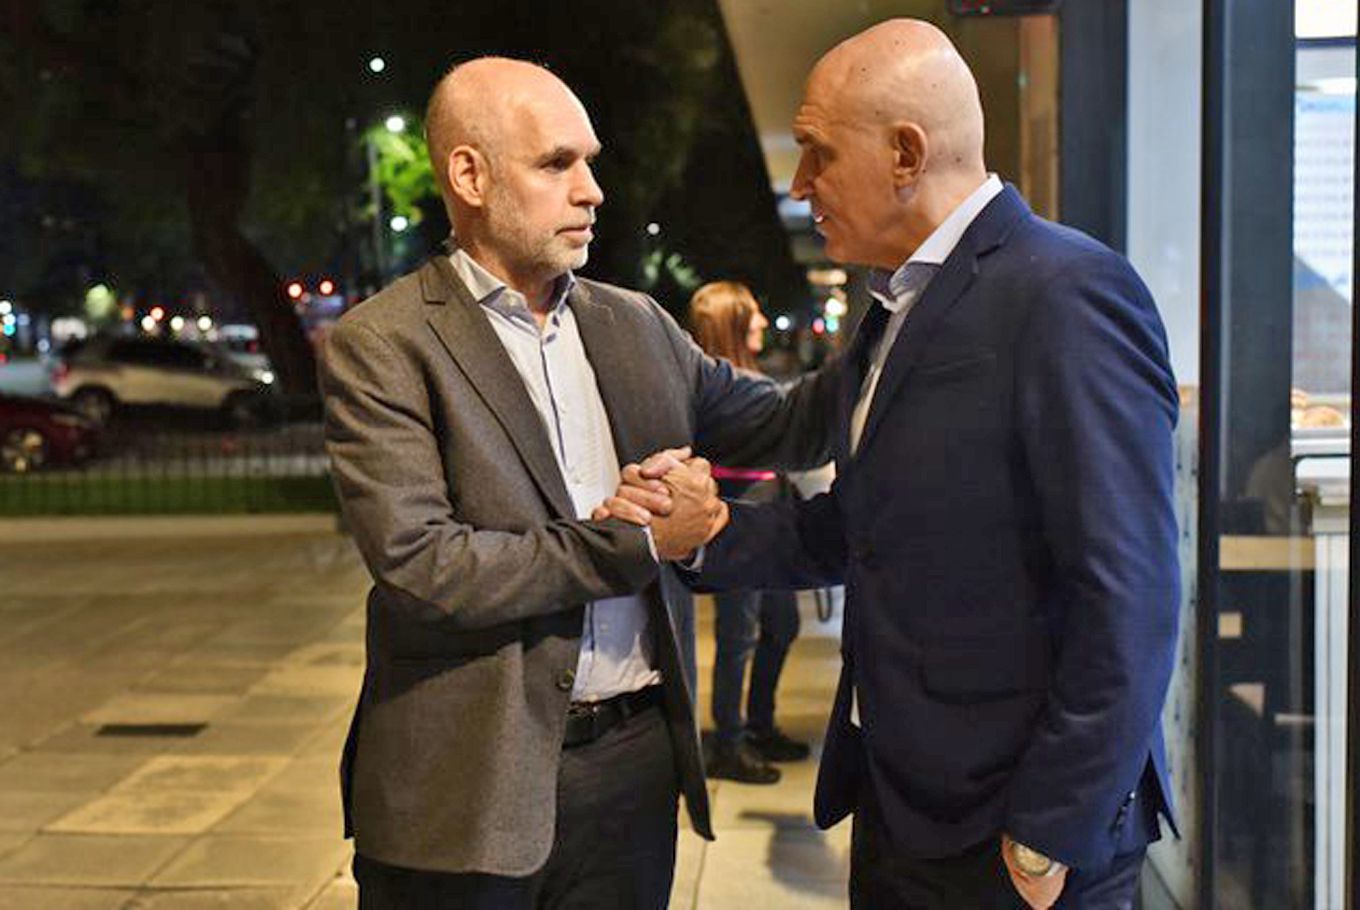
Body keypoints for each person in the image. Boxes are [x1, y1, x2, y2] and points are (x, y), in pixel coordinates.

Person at [605, 19, 1180, 910]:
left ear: (906, 153)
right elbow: (864, 528)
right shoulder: (895, 307)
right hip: (903, 804)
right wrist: (709, 531)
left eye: (819, 152)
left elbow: (1132, 590)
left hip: (1014, 833)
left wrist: (1051, 829)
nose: (801, 183)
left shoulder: (1067, 293)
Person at [320, 57, 837, 909]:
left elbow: (790, 424)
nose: (592, 190)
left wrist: (906, 298)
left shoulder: (635, 325)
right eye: (557, 163)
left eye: (589, 163)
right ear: (470, 176)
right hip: (462, 792)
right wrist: (637, 541)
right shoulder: (383, 343)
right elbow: (424, 566)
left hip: (631, 772)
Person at [688, 281, 811, 785]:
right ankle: (729, 742)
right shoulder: (711, 388)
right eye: (753, 314)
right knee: (737, 634)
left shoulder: (747, 381)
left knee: (780, 625)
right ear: (731, 323)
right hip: (732, 521)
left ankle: (758, 725)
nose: (762, 322)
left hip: (767, 515)